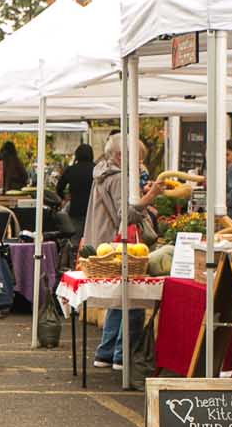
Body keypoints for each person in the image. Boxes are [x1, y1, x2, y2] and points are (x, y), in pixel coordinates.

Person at [82, 133, 161, 370]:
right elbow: (124, 214)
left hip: (103, 241)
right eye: (136, 159)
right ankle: (121, 354)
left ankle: (106, 353)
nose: (139, 164)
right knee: (133, 298)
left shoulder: (102, 173)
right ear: (120, 156)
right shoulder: (119, 178)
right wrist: (151, 195)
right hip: (116, 245)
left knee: (119, 300)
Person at [56, 143, 95, 222]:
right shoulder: (97, 169)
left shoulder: (71, 170)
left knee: (77, 232)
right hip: (93, 209)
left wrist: (64, 197)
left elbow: (59, 188)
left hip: (76, 210)